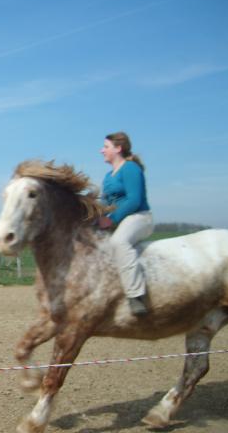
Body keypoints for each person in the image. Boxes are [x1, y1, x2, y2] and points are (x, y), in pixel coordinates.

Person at [99, 131, 153, 316]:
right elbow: (104, 203)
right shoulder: (108, 176)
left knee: (118, 242)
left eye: (106, 147)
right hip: (118, 220)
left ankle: (135, 296)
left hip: (139, 217)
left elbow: (134, 200)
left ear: (118, 148)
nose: (101, 150)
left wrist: (110, 219)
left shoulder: (130, 168)